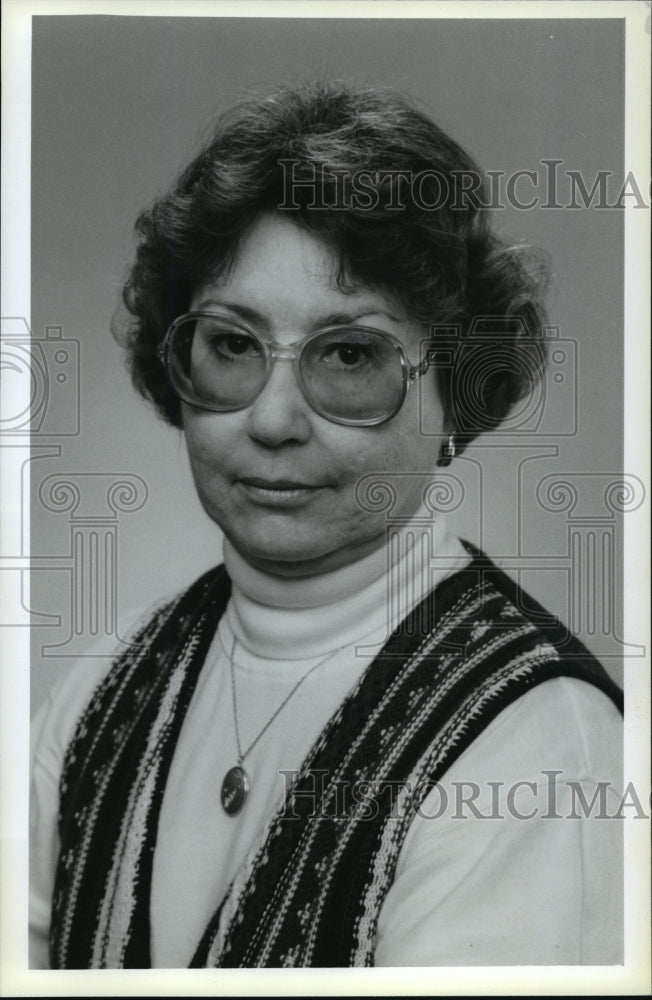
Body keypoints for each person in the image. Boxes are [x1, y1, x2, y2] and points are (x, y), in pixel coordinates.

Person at [30, 81, 623, 969]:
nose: (273, 420)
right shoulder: (103, 688)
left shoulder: (539, 748)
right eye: (232, 344)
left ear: (455, 388)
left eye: (349, 355)